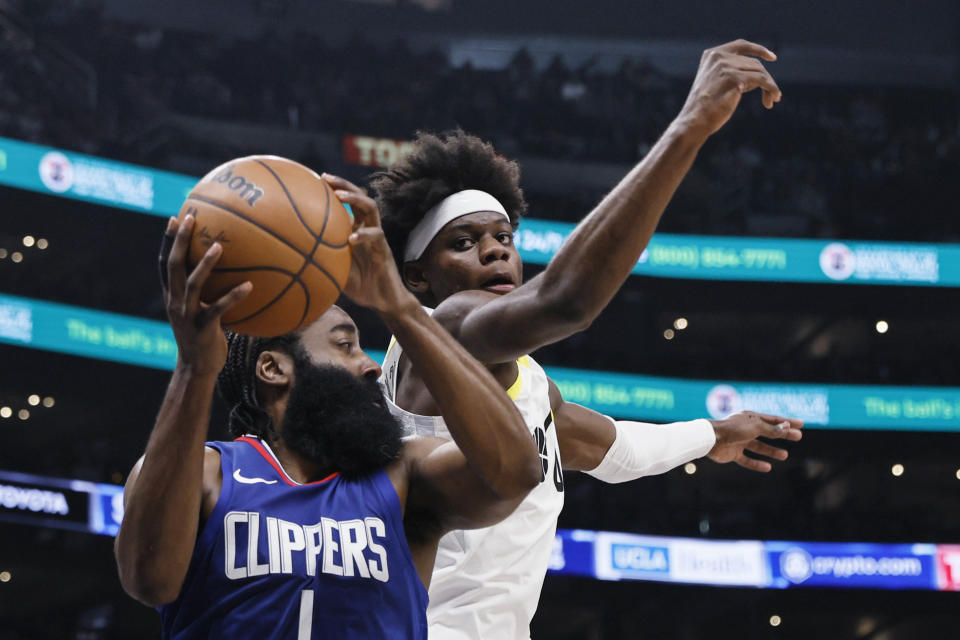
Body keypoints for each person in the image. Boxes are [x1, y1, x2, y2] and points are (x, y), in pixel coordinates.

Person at [323, 39, 803, 639]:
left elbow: (614, 450)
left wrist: (712, 436)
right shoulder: (447, 331)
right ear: (417, 275)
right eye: (464, 242)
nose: (496, 248)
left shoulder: (524, 384)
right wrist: (688, 127)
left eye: (503, 235)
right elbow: (566, 302)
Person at [114, 193, 542, 638]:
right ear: (274, 368)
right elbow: (150, 579)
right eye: (344, 345)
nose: (371, 365)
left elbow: (515, 472)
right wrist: (194, 368)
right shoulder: (206, 474)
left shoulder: (404, 475)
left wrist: (398, 306)